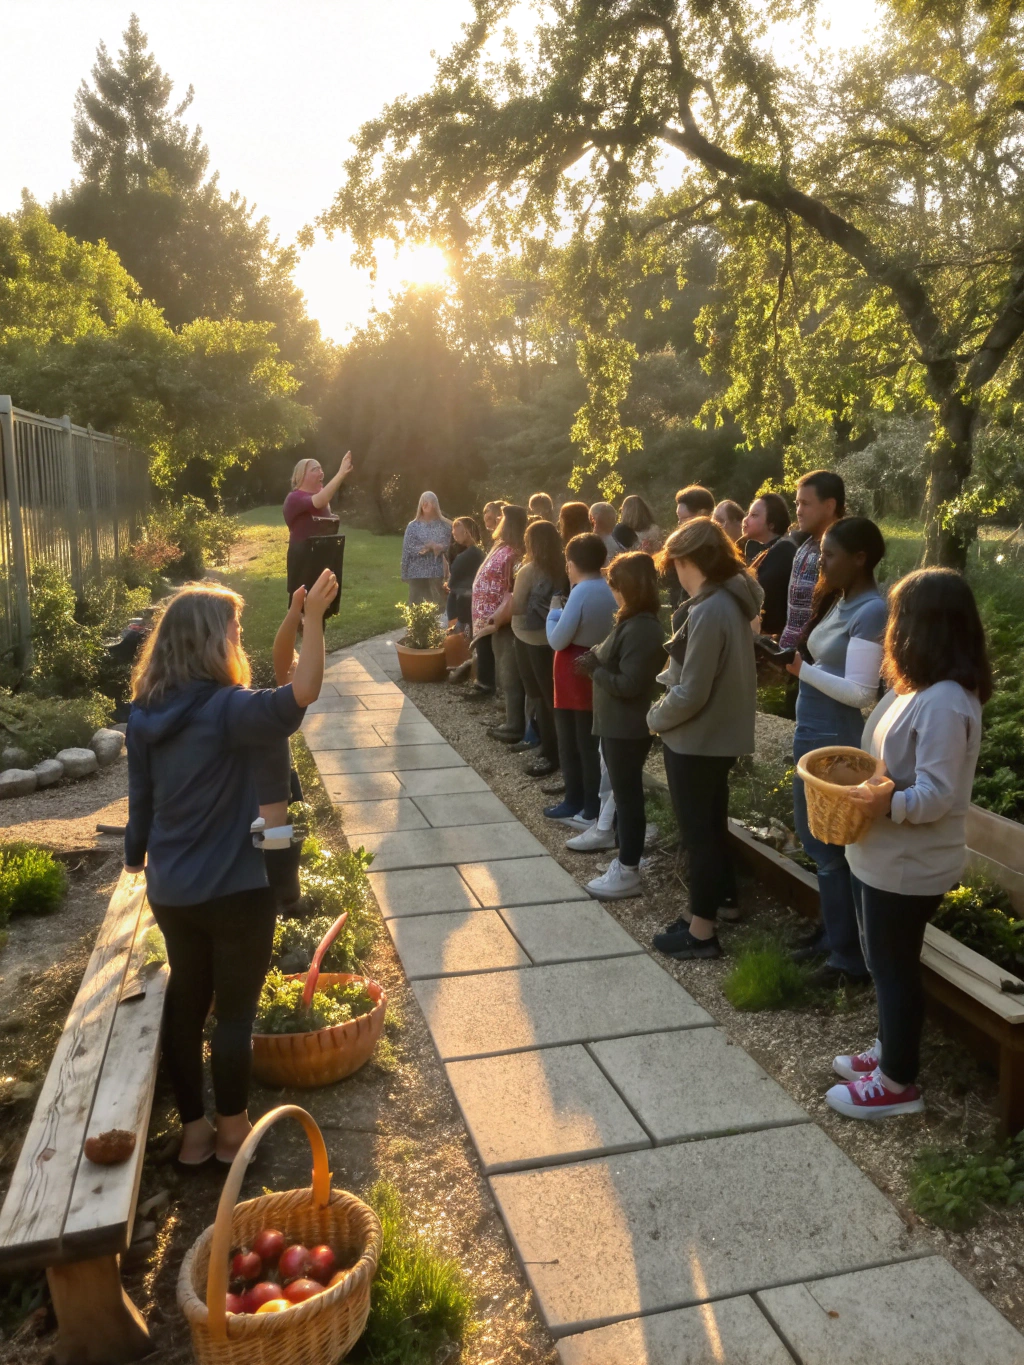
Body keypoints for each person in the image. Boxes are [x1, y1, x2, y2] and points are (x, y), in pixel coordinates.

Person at [124, 571, 337, 1165]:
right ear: (214, 642)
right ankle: (232, 1133)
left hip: (173, 890)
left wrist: (135, 856)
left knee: (189, 1000)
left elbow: (141, 799)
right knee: (235, 1011)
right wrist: (313, 619)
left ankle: (192, 1134)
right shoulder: (229, 710)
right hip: (237, 889)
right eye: (236, 631)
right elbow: (303, 692)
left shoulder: (144, 715)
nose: (239, 640)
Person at [826, 569, 990, 1120]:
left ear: (924, 626)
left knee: (894, 966)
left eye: (900, 617)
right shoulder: (917, 688)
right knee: (882, 960)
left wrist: (886, 804)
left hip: (909, 862)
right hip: (882, 854)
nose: (891, 628)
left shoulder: (945, 701)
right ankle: (888, 1050)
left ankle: (898, 1084)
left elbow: (938, 795)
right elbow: (893, 766)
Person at [648, 519, 763, 956]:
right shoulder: (727, 601)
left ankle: (701, 932)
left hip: (697, 739)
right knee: (712, 827)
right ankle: (723, 903)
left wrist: (655, 717)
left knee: (699, 836)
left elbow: (692, 691)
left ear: (686, 560)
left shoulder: (710, 609)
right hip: (718, 737)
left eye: (673, 562)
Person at [784, 516, 889, 986]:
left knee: (828, 847)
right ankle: (834, 935)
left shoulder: (870, 610)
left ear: (860, 557)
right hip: (813, 733)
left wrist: (799, 671)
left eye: (829, 554)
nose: (820, 562)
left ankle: (846, 956)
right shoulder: (843, 600)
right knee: (816, 841)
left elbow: (860, 693)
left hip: (836, 744)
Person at [576, 552, 666, 897]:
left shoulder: (643, 628)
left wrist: (594, 670)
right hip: (616, 724)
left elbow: (629, 684)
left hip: (626, 727)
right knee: (624, 795)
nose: (612, 592)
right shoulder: (633, 621)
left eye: (615, 586)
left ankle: (628, 869)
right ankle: (626, 861)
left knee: (627, 798)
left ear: (627, 587)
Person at [545, 534, 618, 827]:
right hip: (597, 668)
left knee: (572, 743)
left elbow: (558, 639)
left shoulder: (581, 590)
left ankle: (578, 803)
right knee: (591, 743)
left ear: (572, 563)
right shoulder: (610, 587)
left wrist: (553, 614)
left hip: (573, 674)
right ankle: (594, 805)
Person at [510, 519, 567, 777]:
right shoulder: (564, 567)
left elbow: (517, 606)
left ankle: (548, 752)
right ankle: (557, 751)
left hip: (529, 637)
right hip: (556, 637)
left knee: (539, 696)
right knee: (551, 696)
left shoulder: (529, 570)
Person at [472, 504, 528, 733]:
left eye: (503, 519)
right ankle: (504, 713)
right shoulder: (501, 546)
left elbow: (513, 586)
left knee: (507, 670)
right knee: (497, 664)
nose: (498, 522)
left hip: (502, 619)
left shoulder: (515, 551)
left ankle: (512, 721)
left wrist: (500, 614)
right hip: (488, 616)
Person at [778, 470, 845, 649]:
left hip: (817, 661)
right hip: (792, 660)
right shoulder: (806, 545)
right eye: (797, 503)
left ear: (830, 506)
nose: (798, 511)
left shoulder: (843, 551)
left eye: (805, 504)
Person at [283, 453, 353, 597]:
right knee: (301, 609)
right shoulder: (295, 497)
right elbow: (319, 501)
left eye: (321, 469)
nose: (321, 472)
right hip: (304, 562)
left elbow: (323, 503)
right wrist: (341, 473)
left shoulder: (321, 495)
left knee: (322, 608)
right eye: (315, 469)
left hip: (324, 558)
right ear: (300, 475)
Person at [743, 493, 796, 636]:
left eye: (754, 516)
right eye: (747, 514)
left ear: (771, 524)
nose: (745, 520)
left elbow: (766, 600)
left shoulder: (783, 551)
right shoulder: (770, 550)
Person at [666, 486, 716, 611]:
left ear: (702, 514)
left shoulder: (713, 549)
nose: (679, 524)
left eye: (683, 519)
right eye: (678, 518)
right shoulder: (685, 546)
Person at [400, 492, 451, 605]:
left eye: (429, 501)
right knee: (416, 607)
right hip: (416, 573)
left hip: (435, 573)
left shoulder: (444, 526)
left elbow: (451, 546)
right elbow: (407, 550)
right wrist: (427, 547)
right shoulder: (413, 526)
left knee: (436, 606)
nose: (425, 504)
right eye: (423, 501)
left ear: (435, 504)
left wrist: (440, 547)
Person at [446, 517, 484, 630]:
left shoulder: (470, 554)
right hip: (462, 603)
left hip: (461, 605)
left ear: (467, 532)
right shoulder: (465, 551)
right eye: (453, 529)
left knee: (459, 639)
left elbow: (453, 581)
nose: (454, 532)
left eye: (457, 529)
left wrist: (449, 583)